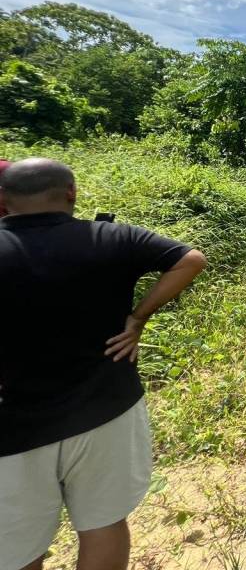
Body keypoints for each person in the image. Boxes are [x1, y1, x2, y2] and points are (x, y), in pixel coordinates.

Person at [0, 158, 207, 570]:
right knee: (103, 524)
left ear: (4, 200)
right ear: (71, 193)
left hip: (12, 426)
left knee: (16, 545)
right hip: (105, 406)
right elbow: (191, 260)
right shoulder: (112, 237)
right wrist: (138, 317)